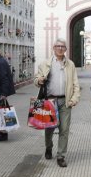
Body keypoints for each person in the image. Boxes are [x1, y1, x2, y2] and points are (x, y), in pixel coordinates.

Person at [34, 38, 80, 167]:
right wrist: (39, 80)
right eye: (58, 46)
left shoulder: (70, 65)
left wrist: (74, 99)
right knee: (49, 128)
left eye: (63, 46)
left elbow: (76, 84)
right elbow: (36, 79)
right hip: (49, 101)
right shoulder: (45, 64)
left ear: (65, 49)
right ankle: (49, 147)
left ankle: (61, 155)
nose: (60, 48)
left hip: (65, 101)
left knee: (64, 129)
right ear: (54, 48)